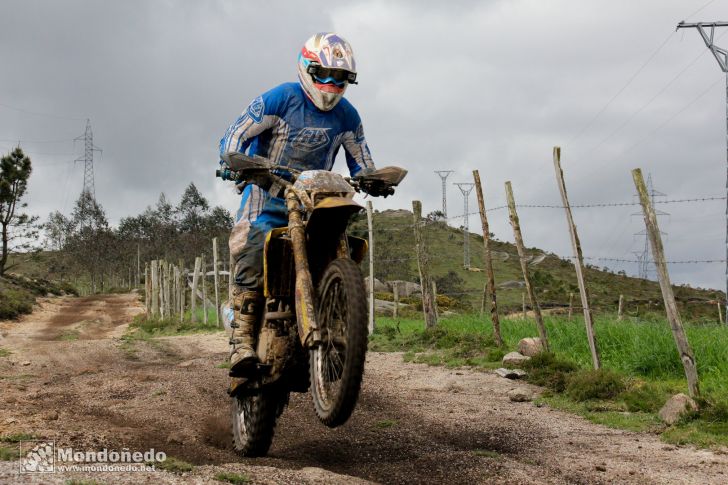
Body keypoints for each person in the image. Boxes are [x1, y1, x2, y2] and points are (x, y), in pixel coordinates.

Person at [219, 32, 376, 376]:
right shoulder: (281, 98)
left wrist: (371, 177)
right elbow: (235, 132)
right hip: (267, 194)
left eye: (341, 78)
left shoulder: (347, 116)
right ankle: (242, 341)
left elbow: (361, 158)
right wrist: (232, 160)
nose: (332, 84)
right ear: (307, 69)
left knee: (340, 246)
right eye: (325, 75)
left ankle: (336, 318)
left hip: (315, 201)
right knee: (251, 245)